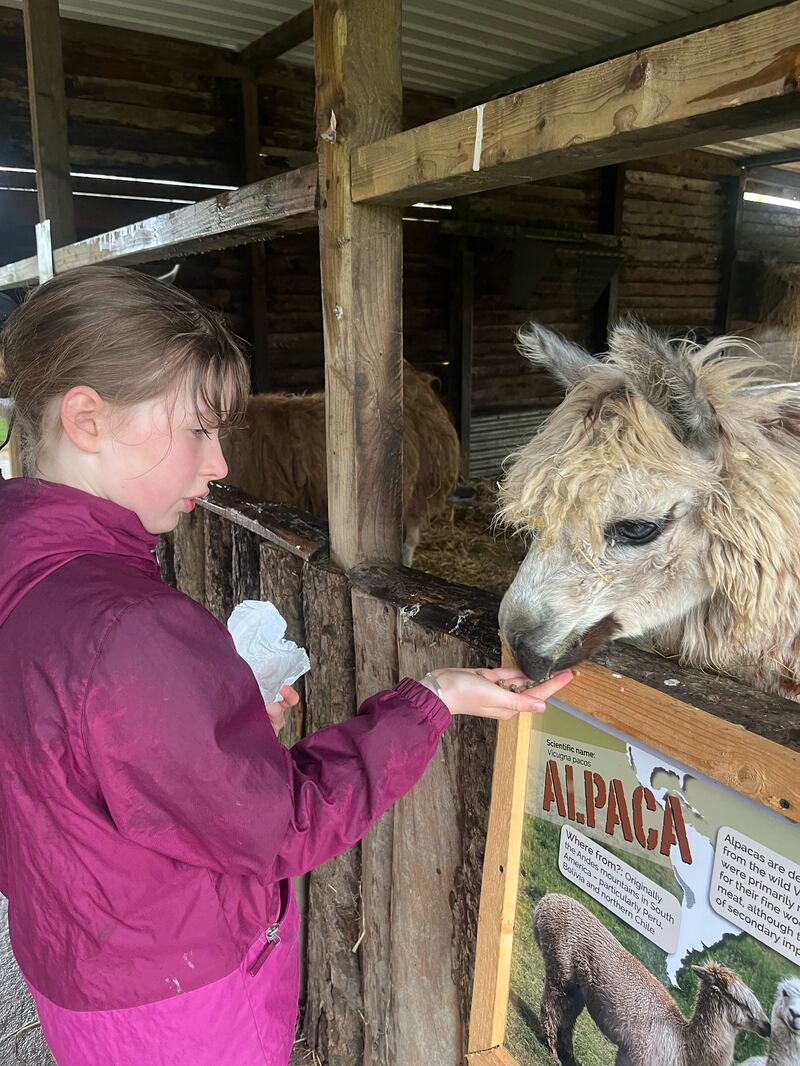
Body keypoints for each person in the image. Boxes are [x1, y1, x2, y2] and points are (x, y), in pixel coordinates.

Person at [0, 265, 572, 1066]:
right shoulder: (129, 629)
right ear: (87, 419)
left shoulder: (22, 570)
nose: (219, 464)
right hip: (182, 1010)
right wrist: (432, 698)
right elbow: (282, 824)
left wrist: (202, 736)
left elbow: (63, 762)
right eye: (197, 431)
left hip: (76, 964)